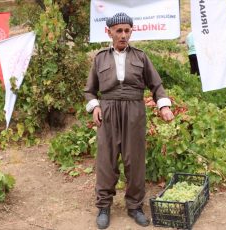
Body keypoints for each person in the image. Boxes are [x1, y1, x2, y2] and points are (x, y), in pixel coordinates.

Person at [84, 12, 174, 229]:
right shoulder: (100, 58)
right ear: (109, 32)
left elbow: (156, 85)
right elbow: (89, 90)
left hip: (134, 111)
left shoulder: (141, 57)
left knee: (134, 161)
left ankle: (134, 206)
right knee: (107, 160)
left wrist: (164, 106)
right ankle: (104, 206)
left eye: (127, 30)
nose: (123, 35)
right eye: (119, 31)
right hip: (108, 112)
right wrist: (95, 106)